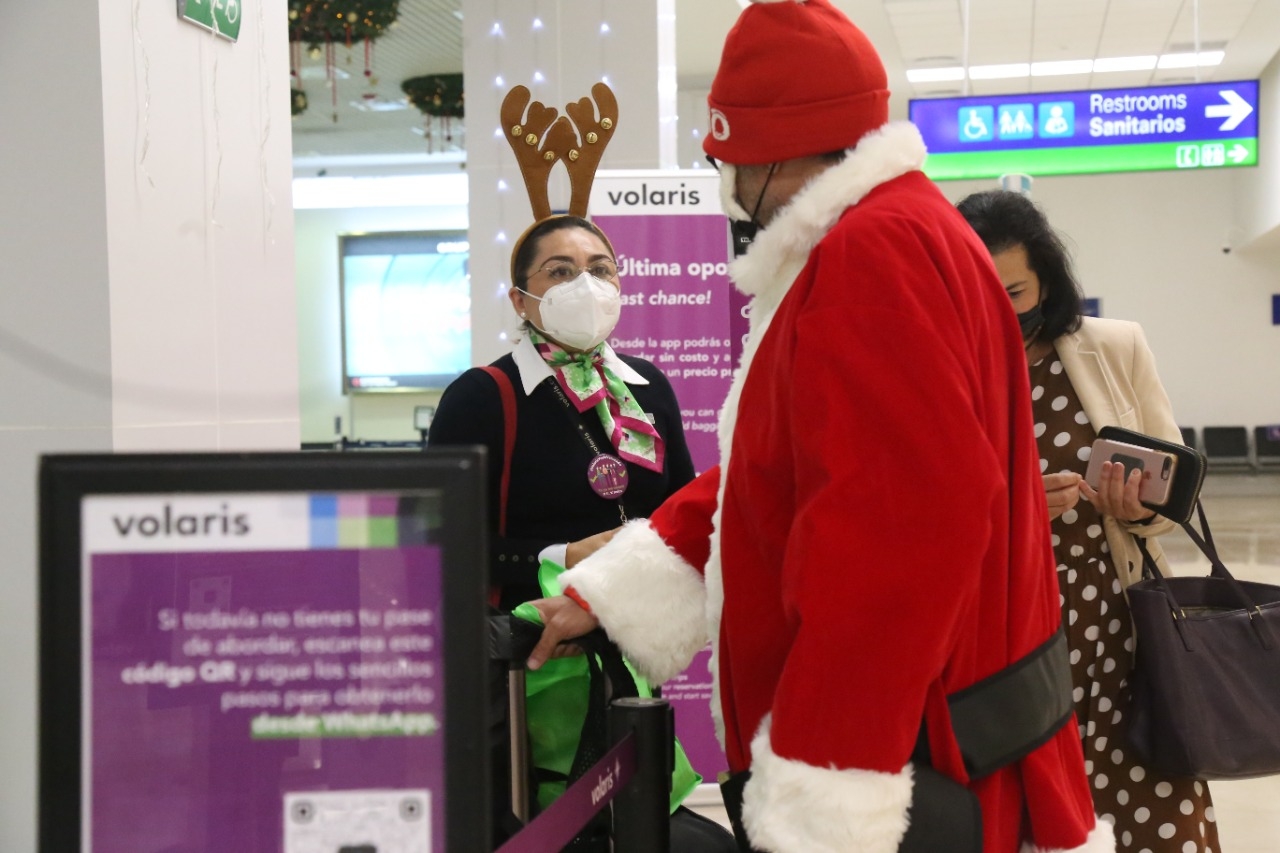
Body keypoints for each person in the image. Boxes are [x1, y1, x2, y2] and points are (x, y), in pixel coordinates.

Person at [524, 2, 1113, 852]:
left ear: (772, 148)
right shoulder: (909, 231)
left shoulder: (869, 253)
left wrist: (827, 774)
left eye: (727, 160)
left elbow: (903, 526)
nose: (728, 186)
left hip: (909, 756)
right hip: (958, 722)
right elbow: (784, 472)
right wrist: (616, 592)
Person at [427, 213, 735, 851]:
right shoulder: (483, 396)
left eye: (600, 270)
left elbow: (683, 518)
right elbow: (443, 547)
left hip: (622, 655)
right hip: (528, 667)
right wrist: (557, 555)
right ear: (521, 297)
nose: (585, 286)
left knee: (643, 822)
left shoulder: (646, 387)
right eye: (560, 273)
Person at [957, 189, 1219, 852]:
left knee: (1155, 804)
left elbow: (1174, 496)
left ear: (1046, 279)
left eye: (1013, 290)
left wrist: (1139, 509)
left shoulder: (1113, 347)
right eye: (977, 287)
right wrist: (1009, 512)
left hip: (1118, 625)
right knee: (1031, 814)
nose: (998, 307)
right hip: (1007, 638)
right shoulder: (945, 368)